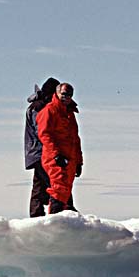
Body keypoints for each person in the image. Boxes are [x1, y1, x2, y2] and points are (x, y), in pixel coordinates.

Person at [36, 82, 83, 214]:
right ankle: (54, 221)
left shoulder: (69, 114)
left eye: (69, 95)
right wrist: (56, 154)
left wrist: (79, 161)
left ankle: (62, 220)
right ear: (56, 93)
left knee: (66, 189)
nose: (66, 97)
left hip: (70, 158)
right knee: (59, 188)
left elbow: (75, 139)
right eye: (63, 94)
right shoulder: (49, 111)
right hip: (55, 158)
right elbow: (44, 134)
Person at [24, 77, 59, 217]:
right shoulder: (39, 108)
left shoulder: (36, 106)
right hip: (40, 152)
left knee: (39, 185)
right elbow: (42, 132)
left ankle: (36, 215)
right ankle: (59, 213)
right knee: (54, 182)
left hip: (35, 152)